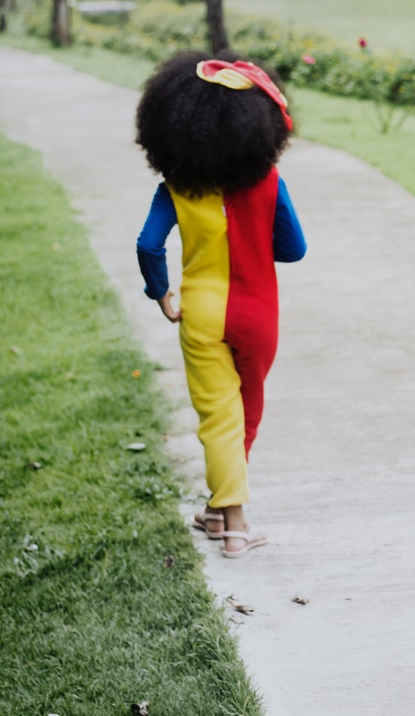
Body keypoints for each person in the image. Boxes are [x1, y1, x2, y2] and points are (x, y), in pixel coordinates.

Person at [134, 51, 306, 558]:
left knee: (218, 416)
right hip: (257, 314)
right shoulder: (269, 181)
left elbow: (148, 245)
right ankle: (235, 524)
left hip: (201, 313)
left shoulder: (175, 189)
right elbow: (293, 249)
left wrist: (160, 292)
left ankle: (219, 513)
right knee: (244, 413)